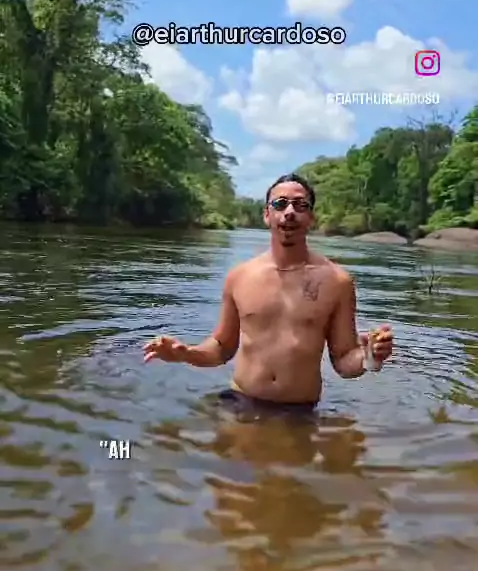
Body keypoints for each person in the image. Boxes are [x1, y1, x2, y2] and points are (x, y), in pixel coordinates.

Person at [143, 173, 393, 415]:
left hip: (299, 412)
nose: (290, 212)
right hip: (240, 402)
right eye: (280, 204)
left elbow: (344, 360)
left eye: (300, 205)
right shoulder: (240, 276)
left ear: (311, 217)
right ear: (267, 214)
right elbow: (221, 347)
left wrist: (369, 357)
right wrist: (186, 353)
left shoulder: (337, 281)